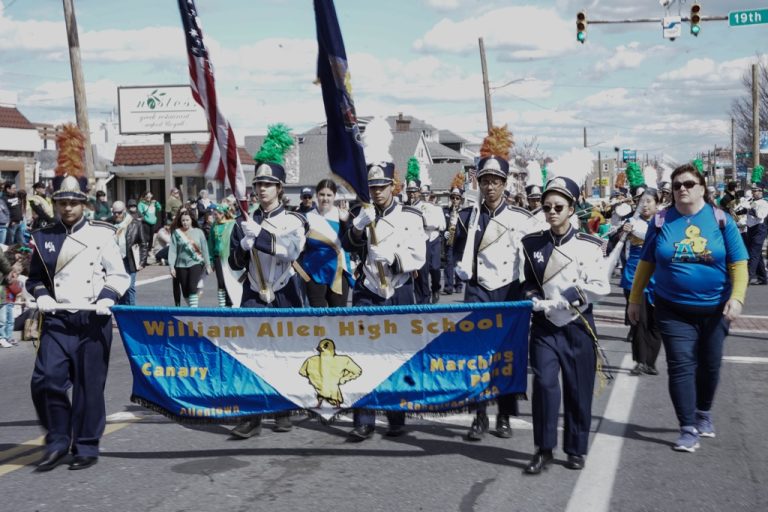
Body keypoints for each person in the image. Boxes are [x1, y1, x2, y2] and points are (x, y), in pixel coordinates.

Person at [28, 125, 129, 471]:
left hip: (92, 319)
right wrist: (41, 295)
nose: (67, 207)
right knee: (45, 380)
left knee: (88, 388)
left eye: (73, 202)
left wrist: (106, 297)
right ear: (54, 204)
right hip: (57, 320)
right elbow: (35, 279)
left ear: (84, 204)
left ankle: (85, 445)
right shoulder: (43, 237)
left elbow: (119, 275)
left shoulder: (103, 234)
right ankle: (57, 439)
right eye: (62, 202)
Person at [628, 163, 748, 453]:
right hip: (672, 309)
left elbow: (739, 263)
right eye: (677, 184)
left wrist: (738, 297)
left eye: (689, 184)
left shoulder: (721, 220)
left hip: (715, 310)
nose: (683, 188)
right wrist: (634, 300)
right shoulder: (661, 221)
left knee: (710, 365)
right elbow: (646, 263)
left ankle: (703, 411)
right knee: (680, 365)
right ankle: (687, 427)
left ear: (702, 188)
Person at [521, 175, 610, 474]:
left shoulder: (591, 245)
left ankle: (575, 448)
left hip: (578, 324)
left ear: (572, 208)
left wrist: (566, 299)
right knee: (544, 385)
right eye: (547, 207)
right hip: (545, 326)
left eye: (559, 206)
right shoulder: (532, 243)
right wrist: (533, 297)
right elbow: (528, 281)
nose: (552, 212)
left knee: (577, 389)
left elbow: (600, 285)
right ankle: (543, 448)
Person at [452, 156, 539, 441]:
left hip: (509, 289)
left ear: (504, 184)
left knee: (506, 355)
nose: (490, 187)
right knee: (477, 354)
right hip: (478, 289)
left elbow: (532, 258)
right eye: (485, 181)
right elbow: (456, 252)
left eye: (496, 181)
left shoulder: (520, 218)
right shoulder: (467, 217)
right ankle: (478, 416)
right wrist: (460, 268)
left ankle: (504, 415)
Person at [342, 152, 427, 441]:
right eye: (372, 187)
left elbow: (419, 255)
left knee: (397, 354)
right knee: (363, 352)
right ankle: (363, 418)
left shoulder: (412, 216)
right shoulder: (361, 211)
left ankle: (395, 416)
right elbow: (346, 243)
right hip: (368, 289)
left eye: (382, 186)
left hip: (398, 289)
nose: (377, 192)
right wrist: (356, 226)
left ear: (393, 186)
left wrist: (392, 258)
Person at [228, 156, 307, 438]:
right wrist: (244, 246)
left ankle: (282, 408)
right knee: (250, 353)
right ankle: (251, 416)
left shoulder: (294, 220)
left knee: (282, 352)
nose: (262, 189)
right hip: (253, 291)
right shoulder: (243, 221)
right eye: (259, 184)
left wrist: (259, 236)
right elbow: (234, 262)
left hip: (284, 290)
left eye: (269, 184)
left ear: (280, 188)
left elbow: (291, 250)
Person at [613, 190, 663, 375]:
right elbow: (617, 244)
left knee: (656, 322)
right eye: (642, 201)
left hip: (659, 277)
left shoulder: (664, 222)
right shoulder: (631, 222)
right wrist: (622, 233)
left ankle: (650, 361)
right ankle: (640, 361)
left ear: (657, 204)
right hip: (635, 276)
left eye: (649, 201)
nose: (645, 205)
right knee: (639, 320)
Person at [298, 179, 354, 307]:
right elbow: (300, 247)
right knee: (318, 316)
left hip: (338, 270)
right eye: (322, 194)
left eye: (329, 195)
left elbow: (350, 243)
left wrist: (345, 222)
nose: (325, 198)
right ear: (316, 195)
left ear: (334, 196)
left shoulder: (342, 215)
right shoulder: (307, 217)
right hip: (313, 271)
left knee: (338, 316)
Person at [406, 181, 444, 304]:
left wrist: (422, 219)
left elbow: (434, 223)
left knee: (424, 272)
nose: (412, 194)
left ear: (418, 192)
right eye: (410, 191)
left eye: (414, 191)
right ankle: (417, 299)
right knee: (411, 274)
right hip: (407, 243)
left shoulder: (427, 207)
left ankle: (425, 300)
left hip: (423, 241)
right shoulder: (403, 207)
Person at [168, 209, 210, 307]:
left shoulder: (198, 232)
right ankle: (191, 307)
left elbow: (204, 249)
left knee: (192, 287)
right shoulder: (177, 233)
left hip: (196, 263)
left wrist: (208, 264)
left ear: (191, 220)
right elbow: (173, 251)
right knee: (185, 290)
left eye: (187, 220)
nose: (185, 222)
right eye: (183, 220)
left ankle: (194, 311)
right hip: (181, 264)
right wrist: (171, 266)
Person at [109, 200, 147, 306]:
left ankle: (131, 312)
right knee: (117, 287)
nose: (117, 215)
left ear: (124, 211)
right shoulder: (108, 223)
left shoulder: (135, 223)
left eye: (119, 212)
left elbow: (143, 243)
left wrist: (142, 261)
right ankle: (119, 313)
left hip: (129, 259)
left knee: (130, 287)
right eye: (114, 212)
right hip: (114, 260)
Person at [208, 204, 237, 307]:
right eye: (214, 214)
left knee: (230, 280)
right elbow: (210, 244)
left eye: (217, 214)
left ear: (223, 214)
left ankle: (231, 302)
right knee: (221, 282)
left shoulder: (232, 224)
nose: (216, 216)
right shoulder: (214, 226)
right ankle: (222, 304)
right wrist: (210, 260)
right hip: (218, 258)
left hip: (229, 257)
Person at [743, 184, 768, 285]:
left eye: (756, 191)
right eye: (753, 191)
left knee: (753, 254)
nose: (754, 193)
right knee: (757, 254)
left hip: (759, 229)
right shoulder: (751, 202)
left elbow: (761, 215)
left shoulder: (764, 203)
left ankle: (748, 277)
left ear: (761, 192)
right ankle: (762, 277)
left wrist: (751, 208)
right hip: (750, 228)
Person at [441, 188, 463, 295]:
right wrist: (444, 233)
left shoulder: (463, 212)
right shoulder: (445, 211)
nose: (455, 200)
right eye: (453, 198)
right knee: (449, 262)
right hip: (449, 239)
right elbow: (441, 225)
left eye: (457, 198)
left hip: (460, 240)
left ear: (460, 200)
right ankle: (448, 286)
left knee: (459, 263)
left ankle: (458, 284)